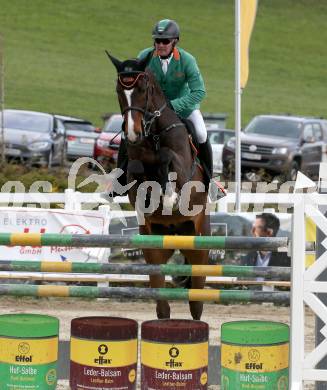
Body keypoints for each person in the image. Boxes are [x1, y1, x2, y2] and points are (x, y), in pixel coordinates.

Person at [105, 18, 212, 198]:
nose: (160, 45)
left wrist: (173, 105)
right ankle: (119, 183)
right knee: (128, 133)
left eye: (165, 41)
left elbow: (199, 91)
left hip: (184, 108)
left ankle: (210, 183)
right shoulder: (145, 57)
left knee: (201, 133)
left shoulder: (187, 60)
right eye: (157, 41)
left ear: (175, 41)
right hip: (152, 111)